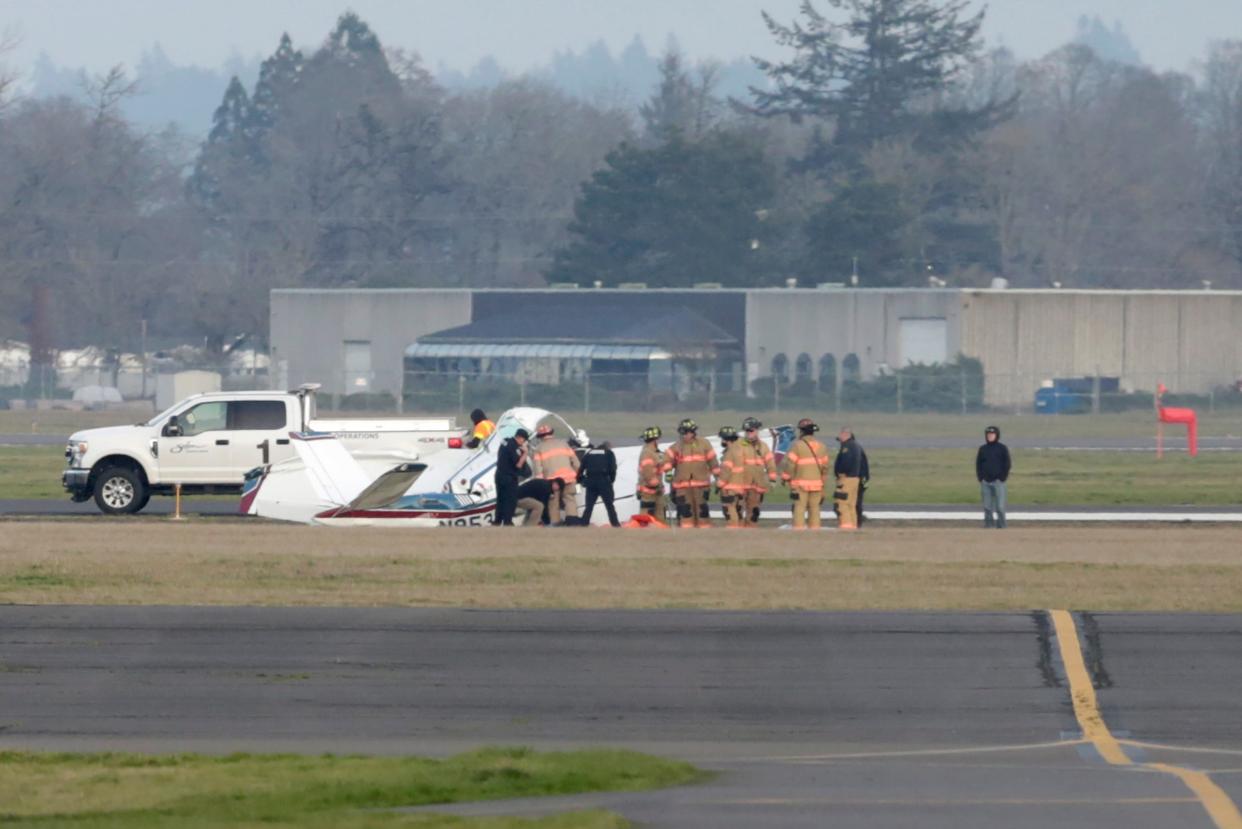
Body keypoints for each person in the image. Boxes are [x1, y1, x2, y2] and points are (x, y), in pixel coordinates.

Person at [663, 418, 719, 528]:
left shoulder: (704, 444)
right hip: (682, 488)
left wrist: (718, 480)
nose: (684, 436)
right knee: (685, 513)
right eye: (682, 433)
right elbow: (666, 461)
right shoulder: (676, 447)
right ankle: (687, 537)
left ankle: (704, 536)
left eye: (686, 432)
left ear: (693, 432)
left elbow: (713, 463)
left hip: (701, 487)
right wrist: (668, 471)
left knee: (702, 513)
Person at [780, 418, 830, 529]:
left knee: (800, 508)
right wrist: (822, 483)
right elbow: (825, 468)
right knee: (815, 509)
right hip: (817, 485)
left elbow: (790, 465)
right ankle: (815, 530)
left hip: (800, 484)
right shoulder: (822, 447)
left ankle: (798, 530)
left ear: (802, 431)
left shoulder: (797, 446)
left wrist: (785, 478)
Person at [532, 424, 581, 521]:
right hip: (569, 479)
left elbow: (538, 469)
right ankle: (573, 522)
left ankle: (556, 525)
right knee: (570, 500)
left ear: (540, 437)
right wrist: (577, 476)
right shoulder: (564, 444)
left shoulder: (539, 449)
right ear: (551, 433)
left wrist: (540, 484)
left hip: (552, 481)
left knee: (553, 503)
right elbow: (576, 463)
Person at [741, 417, 778, 527]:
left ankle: (751, 532)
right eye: (747, 431)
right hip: (740, 484)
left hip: (757, 485)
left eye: (751, 430)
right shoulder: (738, 445)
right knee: (737, 512)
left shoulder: (763, 446)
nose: (749, 433)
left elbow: (770, 464)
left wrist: (772, 479)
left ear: (757, 431)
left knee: (754, 513)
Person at [493, 428, 531, 526]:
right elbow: (518, 465)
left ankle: (497, 521)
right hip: (509, 477)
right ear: (521, 439)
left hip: (499, 474)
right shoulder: (514, 447)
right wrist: (525, 452)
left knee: (500, 499)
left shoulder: (505, 441)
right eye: (524, 440)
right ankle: (507, 521)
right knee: (510, 500)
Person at [976, 425, 1011, 528]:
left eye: (992, 434)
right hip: (985, 482)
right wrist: (980, 477)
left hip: (998, 481)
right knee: (987, 507)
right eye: (988, 434)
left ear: (997, 435)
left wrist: (1002, 477)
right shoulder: (983, 449)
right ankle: (988, 526)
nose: (990, 436)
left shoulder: (1002, 448)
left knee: (1000, 507)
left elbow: (1007, 464)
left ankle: (1002, 526)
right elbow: (978, 464)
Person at [716, 426, 752, 528]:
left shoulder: (729, 453)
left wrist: (719, 484)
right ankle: (740, 529)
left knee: (730, 510)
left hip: (730, 487)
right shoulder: (741, 450)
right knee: (738, 510)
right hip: (741, 487)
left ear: (726, 439)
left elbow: (726, 471)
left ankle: (733, 529)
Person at [579, 441, 620, 527]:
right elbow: (613, 469)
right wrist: (611, 480)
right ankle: (615, 525)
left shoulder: (589, 453)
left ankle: (583, 524)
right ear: (607, 447)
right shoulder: (609, 453)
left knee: (589, 507)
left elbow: (581, 469)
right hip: (604, 481)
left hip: (590, 481)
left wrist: (583, 480)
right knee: (609, 506)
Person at [833, 428, 865, 530]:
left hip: (846, 479)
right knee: (851, 504)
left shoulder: (848, 447)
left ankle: (846, 526)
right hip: (855, 479)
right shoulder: (856, 446)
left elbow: (846, 462)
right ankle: (853, 526)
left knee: (842, 503)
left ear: (846, 434)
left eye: (841, 436)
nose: (840, 440)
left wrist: (840, 473)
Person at [636, 426, 667, 522]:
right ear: (655, 439)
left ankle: (659, 535)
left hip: (657, 491)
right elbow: (648, 473)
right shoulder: (647, 453)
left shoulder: (655, 453)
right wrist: (656, 485)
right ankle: (647, 536)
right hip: (649, 492)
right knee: (647, 518)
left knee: (659, 517)